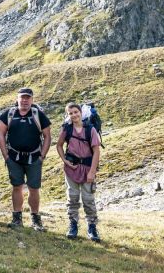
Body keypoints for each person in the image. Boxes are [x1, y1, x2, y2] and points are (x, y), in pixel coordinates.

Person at [0, 88, 52, 231]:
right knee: (17, 187)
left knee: (34, 188)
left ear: (32, 100)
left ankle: (35, 218)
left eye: (28, 98)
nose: (25, 100)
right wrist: (6, 156)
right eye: (22, 97)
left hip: (34, 158)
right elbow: (1, 134)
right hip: (14, 158)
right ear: (17, 98)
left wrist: (42, 156)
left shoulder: (37, 114)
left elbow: (47, 136)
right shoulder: (9, 114)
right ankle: (17, 218)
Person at [56, 103, 101, 242]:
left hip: (88, 168)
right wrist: (64, 160)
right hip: (71, 169)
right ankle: (73, 225)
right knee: (72, 198)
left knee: (88, 199)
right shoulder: (67, 129)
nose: (74, 115)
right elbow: (59, 145)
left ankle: (92, 227)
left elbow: (96, 151)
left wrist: (92, 172)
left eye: (76, 112)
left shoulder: (90, 129)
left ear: (80, 112)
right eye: (71, 113)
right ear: (68, 115)